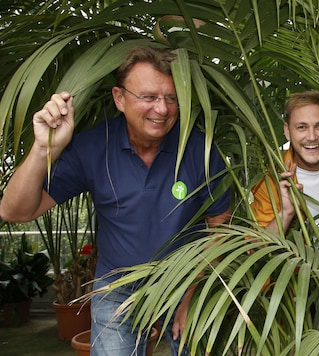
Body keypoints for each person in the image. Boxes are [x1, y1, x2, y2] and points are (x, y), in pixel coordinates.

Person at [0, 46, 231, 355]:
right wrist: (45, 148)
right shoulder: (92, 146)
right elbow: (14, 211)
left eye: (171, 98)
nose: (162, 109)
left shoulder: (199, 148)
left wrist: (196, 292)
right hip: (117, 287)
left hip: (186, 282)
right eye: (148, 97)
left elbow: (220, 226)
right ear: (119, 99)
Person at [250, 89, 319, 250]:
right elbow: (256, 248)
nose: (312, 136)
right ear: (287, 131)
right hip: (308, 273)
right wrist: (286, 213)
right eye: (302, 127)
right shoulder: (271, 181)